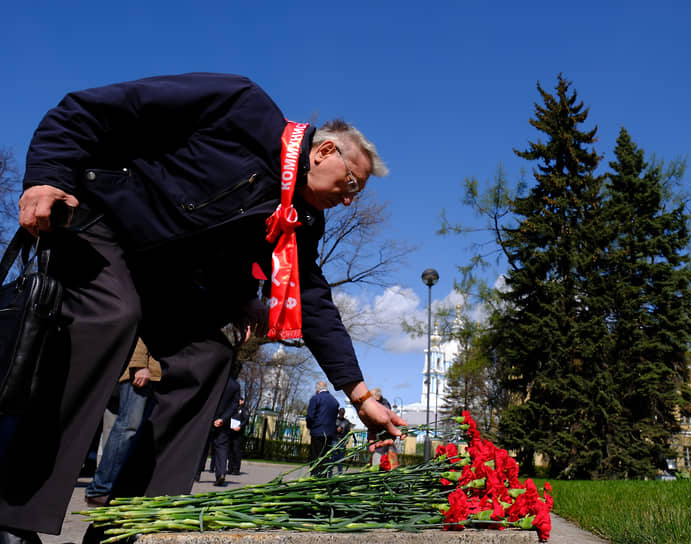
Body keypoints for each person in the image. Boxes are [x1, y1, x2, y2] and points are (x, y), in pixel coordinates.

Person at [0, 73, 406, 543]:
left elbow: (313, 302)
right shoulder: (241, 106)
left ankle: (128, 524)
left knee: (207, 357)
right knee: (113, 313)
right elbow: (89, 109)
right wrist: (47, 176)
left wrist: (360, 396)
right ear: (325, 152)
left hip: (159, 272)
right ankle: (15, 510)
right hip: (102, 217)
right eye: (351, 182)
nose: (350, 198)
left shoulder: (300, 221)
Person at [85, 339, 161, 506]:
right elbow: (143, 331)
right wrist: (140, 365)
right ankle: (99, 489)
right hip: (140, 371)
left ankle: (117, 488)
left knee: (134, 432)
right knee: (127, 428)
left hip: (153, 373)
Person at [209, 376, 241, 486]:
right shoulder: (234, 385)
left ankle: (196, 474)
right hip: (223, 421)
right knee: (222, 447)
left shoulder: (213, 378)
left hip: (207, 418)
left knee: (202, 447)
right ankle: (221, 473)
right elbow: (234, 405)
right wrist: (223, 418)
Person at [306, 381, 339, 477]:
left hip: (317, 432)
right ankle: (323, 479)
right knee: (325, 458)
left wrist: (310, 426)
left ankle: (315, 478)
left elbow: (310, 416)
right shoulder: (334, 401)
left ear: (317, 389)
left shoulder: (316, 398)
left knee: (315, 458)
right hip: (329, 434)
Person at [368, 388, 399, 468]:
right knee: (378, 460)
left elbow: (378, 422)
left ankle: (391, 475)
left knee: (388, 461)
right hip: (382, 438)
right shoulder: (378, 404)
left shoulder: (383, 406)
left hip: (385, 438)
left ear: (378, 397)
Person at [227, 398, 250, 475]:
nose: (238, 401)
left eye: (240, 400)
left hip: (238, 433)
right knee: (230, 451)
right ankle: (230, 468)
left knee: (236, 451)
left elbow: (246, 420)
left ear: (242, 401)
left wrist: (240, 426)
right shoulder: (233, 408)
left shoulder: (244, 410)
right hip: (231, 431)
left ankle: (236, 469)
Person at [330, 407, 353, 475]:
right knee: (332, 459)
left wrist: (346, 441)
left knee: (341, 460)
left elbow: (348, 433)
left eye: (342, 413)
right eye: (340, 413)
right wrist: (336, 430)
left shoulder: (346, 422)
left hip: (342, 442)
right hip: (335, 441)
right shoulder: (334, 420)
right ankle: (330, 473)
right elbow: (330, 430)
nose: (341, 414)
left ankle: (339, 474)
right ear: (338, 413)